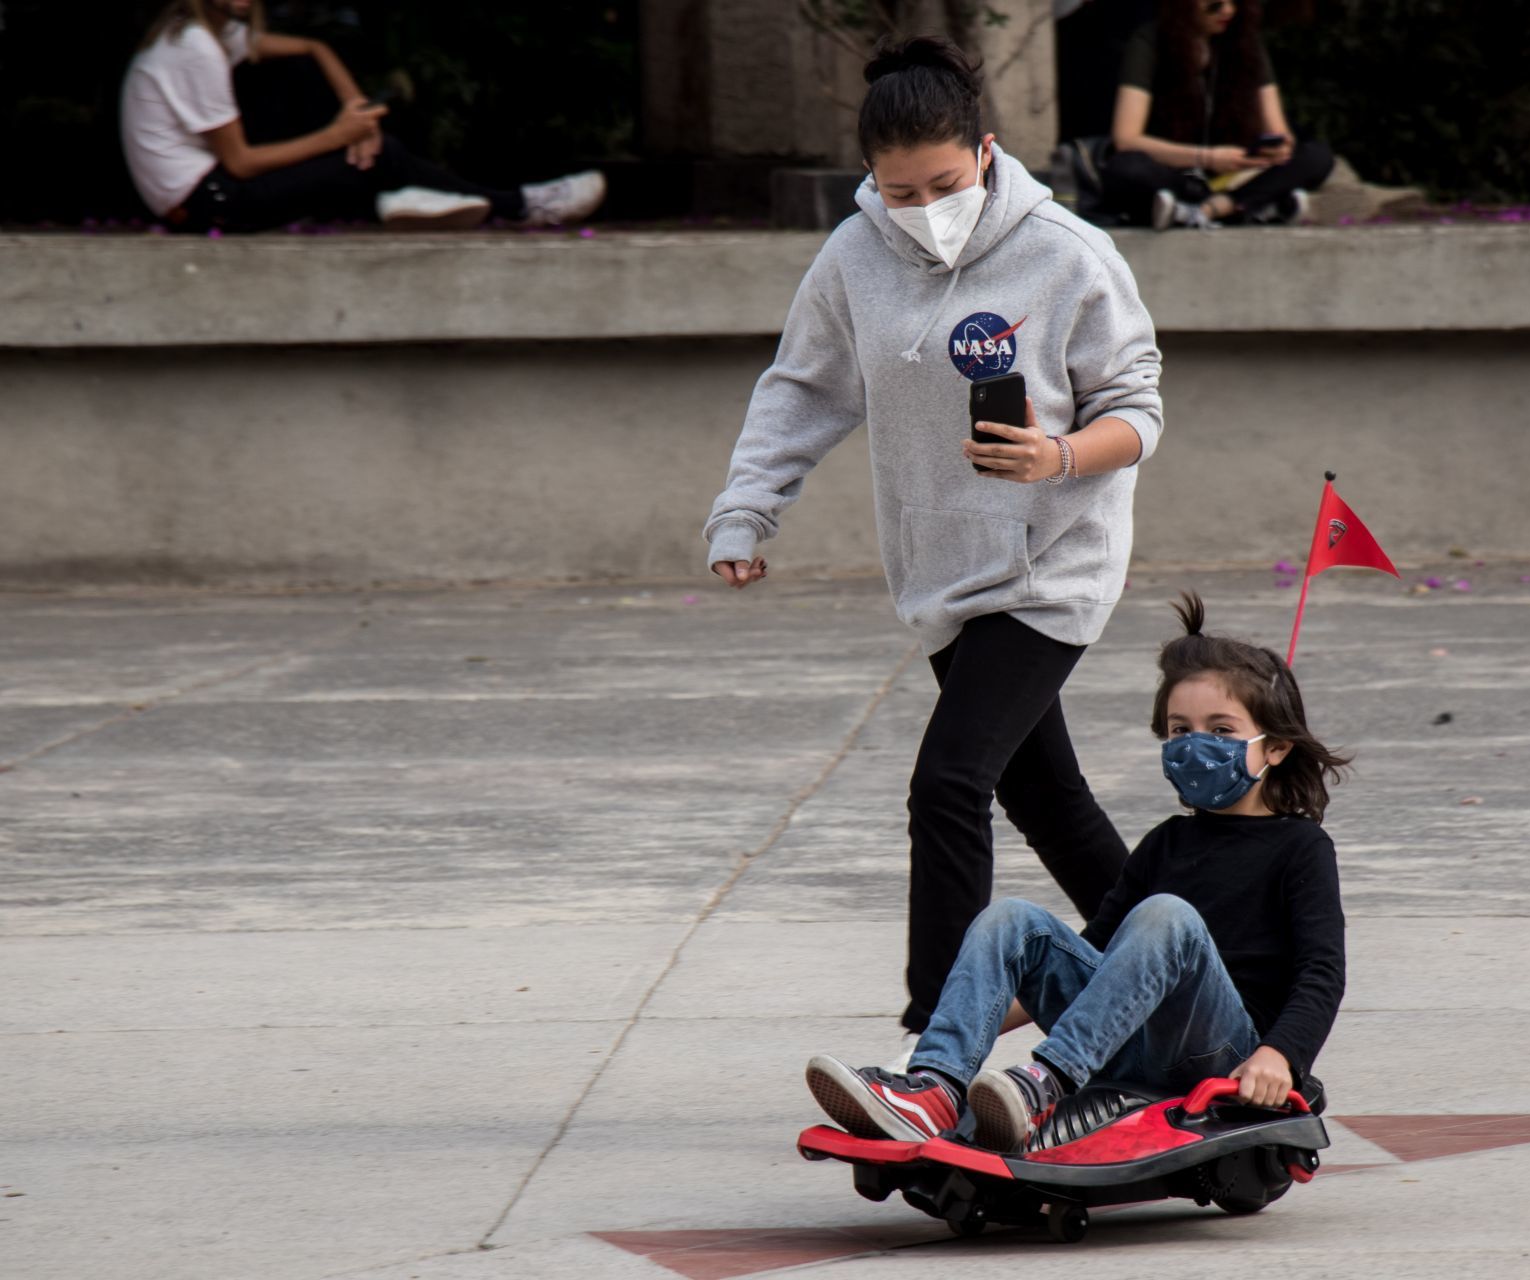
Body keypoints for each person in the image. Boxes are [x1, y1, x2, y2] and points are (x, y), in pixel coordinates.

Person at [703, 35, 1163, 1055]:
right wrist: (746, 509)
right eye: (897, 190)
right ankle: (1181, 971)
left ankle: (936, 1043)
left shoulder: (1069, 253)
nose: (922, 206)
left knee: (950, 781)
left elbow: (1139, 410)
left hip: (1052, 563)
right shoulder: (854, 256)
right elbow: (802, 389)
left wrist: (1057, 455)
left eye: (944, 184)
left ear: (988, 152)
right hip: (943, 572)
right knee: (1050, 800)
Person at [806, 592, 1349, 1152]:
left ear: (1277, 747)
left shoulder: (1301, 847)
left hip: (1220, 1052)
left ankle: (1048, 1082)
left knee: (1167, 916)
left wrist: (1279, 1055)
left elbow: (1321, 972)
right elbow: (1092, 953)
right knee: (1012, 918)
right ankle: (934, 1084)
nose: (1195, 747)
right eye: (1179, 731)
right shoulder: (1167, 841)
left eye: (1221, 730)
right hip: (1128, 1039)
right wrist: (974, 1017)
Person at [121, 0, 605, 233]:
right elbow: (243, 164)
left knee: (302, 77)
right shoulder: (195, 49)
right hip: (206, 204)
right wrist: (339, 135)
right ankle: (520, 206)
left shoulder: (212, 34)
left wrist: (359, 119)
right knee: (381, 155)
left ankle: (402, 197)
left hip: (209, 193)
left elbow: (311, 47)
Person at [1103, 0, 1335, 229]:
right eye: (1215, 4)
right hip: (1177, 173)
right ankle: (1251, 206)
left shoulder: (1245, 43)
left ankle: (1215, 208)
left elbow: (1279, 131)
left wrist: (1276, 148)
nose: (1228, 11)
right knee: (1126, 169)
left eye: (1235, 3)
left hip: (1238, 173)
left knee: (1316, 156)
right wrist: (1207, 158)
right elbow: (1126, 138)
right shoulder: (1150, 41)